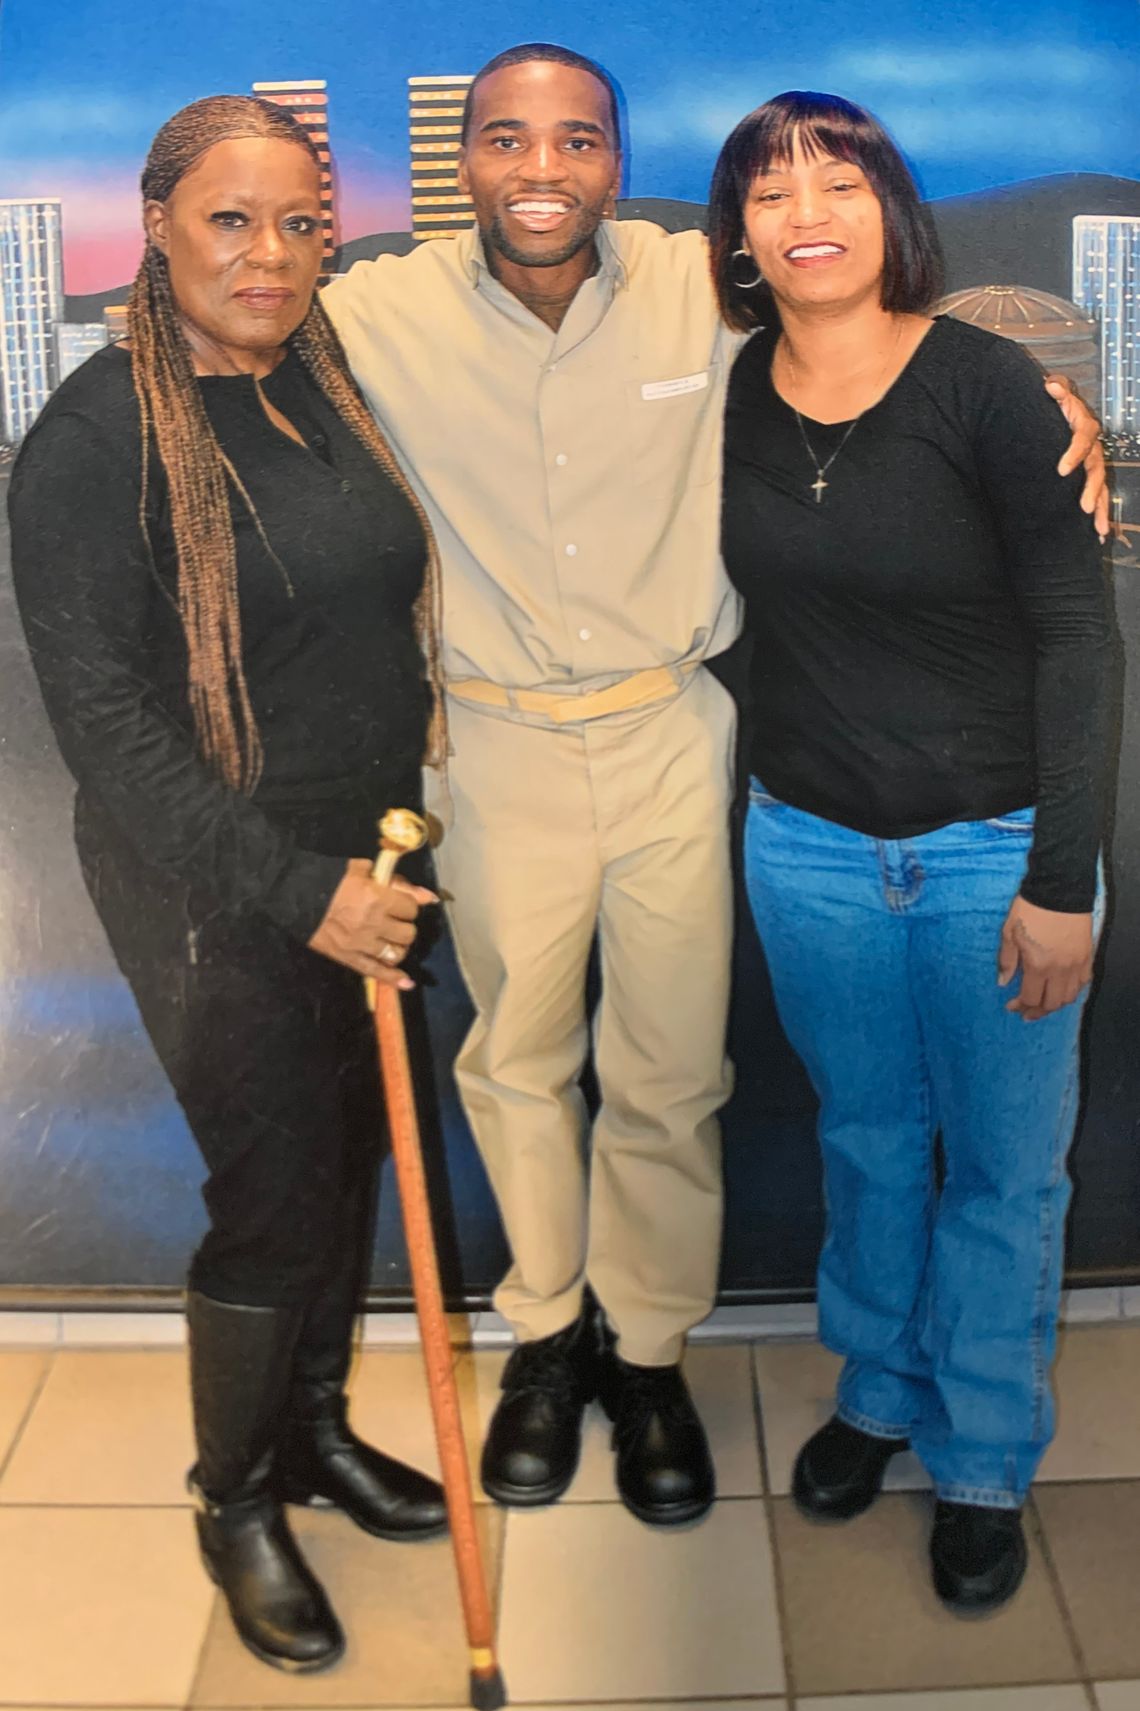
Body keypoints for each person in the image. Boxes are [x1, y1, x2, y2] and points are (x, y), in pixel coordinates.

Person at [322, 43, 1108, 1529]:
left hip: (676, 732)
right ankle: (549, 1341)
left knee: (673, 1077)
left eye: (575, 140)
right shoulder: (379, 304)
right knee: (518, 1061)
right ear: (467, 159)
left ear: (620, 159)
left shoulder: (697, 286)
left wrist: (1036, 402)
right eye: (506, 138)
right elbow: (219, 338)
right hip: (489, 742)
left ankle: (651, 1352)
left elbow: (864, 321)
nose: (540, 168)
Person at [8, 97, 449, 1675]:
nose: (271, 257)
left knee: (340, 1168)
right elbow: (111, 733)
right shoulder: (96, 440)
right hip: (216, 889)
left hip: (368, 868)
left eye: (300, 225)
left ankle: (317, 1434)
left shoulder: (316, 382)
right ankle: (236, 1497)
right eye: (231, 223)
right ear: (158, 227)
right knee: (271, 1195)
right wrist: (292, 887)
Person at [710, 91, 1112, 1612]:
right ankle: (879, 1392)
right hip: (806, 847)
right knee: (868, 1143)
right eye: (766, 187)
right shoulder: (731, 387)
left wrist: (1062, 880)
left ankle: (987, 1456)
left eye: (840, 174)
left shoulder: (994, 389)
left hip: (994, 851)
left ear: (891, 205)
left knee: (1007, 1176)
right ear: (737, 236)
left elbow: (1081, 643)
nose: (806, 206)